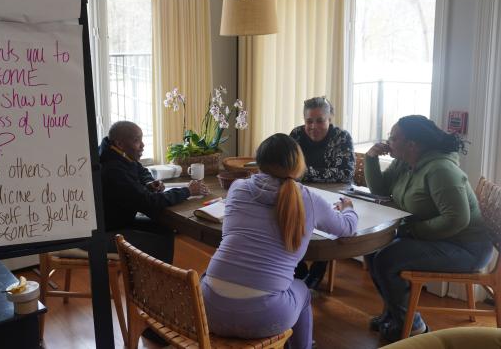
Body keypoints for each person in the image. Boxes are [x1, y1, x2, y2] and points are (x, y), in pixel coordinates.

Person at [200, 133, 357, 349]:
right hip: (264, 318)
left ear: (259, 161)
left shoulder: (238, 188)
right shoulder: (309, 199)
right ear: (298, 163)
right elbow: (346, 228)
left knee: (209, 275)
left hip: (208, 311)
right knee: (302, 290)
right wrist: (348, 209)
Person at [364, 115, 493, 342]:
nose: (388, 141)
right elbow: (381, 190)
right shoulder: (405, 162)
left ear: (412, 144)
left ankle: (414, 325)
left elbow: (456, 219)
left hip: (466, 248)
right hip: (437, 238)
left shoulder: (441, 170)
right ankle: (395, 315)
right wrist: (371, 158)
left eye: (394, 138)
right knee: (373, 249)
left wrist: (413, 231)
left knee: (386, 259)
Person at [99, 121, 208, 263]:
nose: (142, 145)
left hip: (119, 221)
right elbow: (150, 202)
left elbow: (141, 170)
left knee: (165, 227)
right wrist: (187, 191)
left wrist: (148, 182)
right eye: (137, 140)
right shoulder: (113, 169)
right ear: (120, 143)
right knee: (161, 241)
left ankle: (158, 275)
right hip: (107, 232)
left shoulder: (115, 153)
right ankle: (153, 279)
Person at [290, 96, 355, 289]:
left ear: (330, 119)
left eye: (320, 120)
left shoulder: (342, 137)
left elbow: (344, 174)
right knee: (288, 221)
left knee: (329, 223)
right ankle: (299, 269)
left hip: (334, 195)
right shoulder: (296, 135)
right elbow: (288, 168)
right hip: (301, 194)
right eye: (309, 121)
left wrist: (303, 173)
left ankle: (318, 270)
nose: (313, 126)